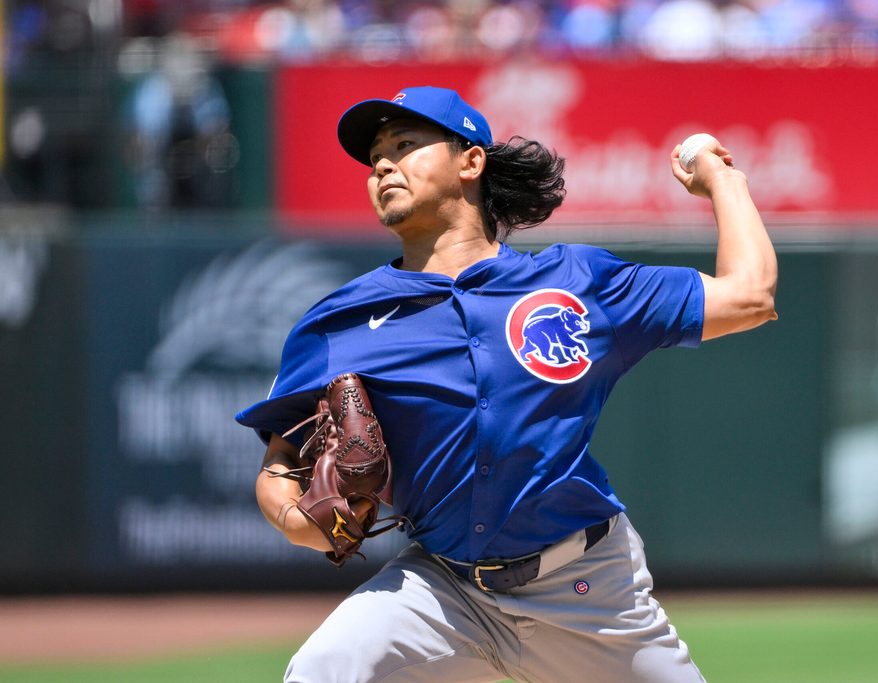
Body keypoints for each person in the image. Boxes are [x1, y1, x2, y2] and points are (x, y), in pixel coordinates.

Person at [236, 85, 777, 683]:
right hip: (442, 590)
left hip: (588, 590)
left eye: (406, 144)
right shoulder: (337, 322)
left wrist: (725, 183)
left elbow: (749, 296)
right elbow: (280, 461)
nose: (383, 164)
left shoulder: (575, 280)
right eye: (375, 159)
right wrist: (293, 519)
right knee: (324, 667)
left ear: (471, 161)